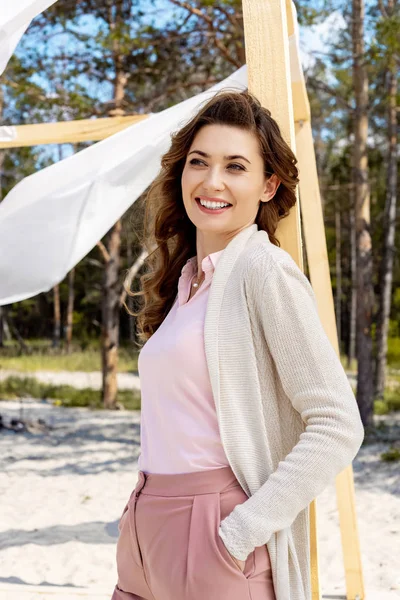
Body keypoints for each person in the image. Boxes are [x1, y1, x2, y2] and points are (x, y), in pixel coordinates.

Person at [111, 90, 364, 600]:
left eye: (236, 167)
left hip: (216, 533)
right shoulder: (185, 280)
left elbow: (338, 422)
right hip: (145, 523)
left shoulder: (263, 271)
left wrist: (240, 530)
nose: (212, 181)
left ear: (268, 185)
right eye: (198, 162)